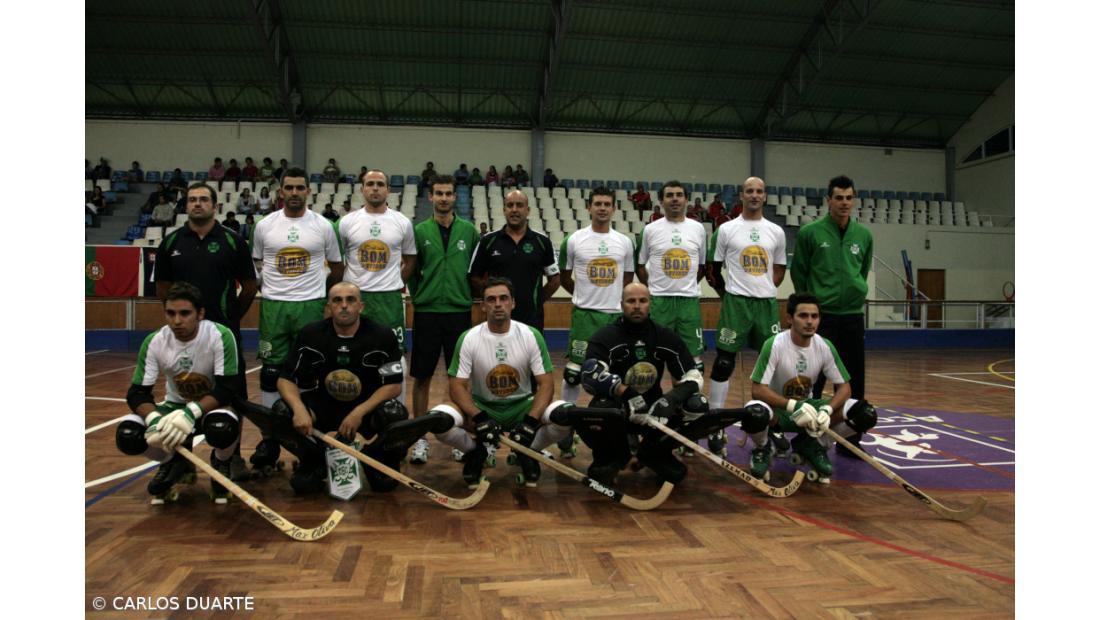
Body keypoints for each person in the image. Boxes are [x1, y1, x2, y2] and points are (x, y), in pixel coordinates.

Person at [241, 282, 409, 494]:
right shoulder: (311, 334)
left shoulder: (382, 336)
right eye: (337, 300)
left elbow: (393, 386)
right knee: (283, 411)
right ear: (329, 306)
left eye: (351, 300)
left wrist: (359, 411)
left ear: (361, 306)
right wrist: (300, 409)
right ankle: (315, 459)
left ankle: (376, 458)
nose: (344, 306)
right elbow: (285, 380)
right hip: (325, 405)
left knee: (395, 414)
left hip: (364, 408)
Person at [418, 277, 570, 487]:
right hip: (483, 406)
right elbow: (457, 385)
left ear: (513, 303)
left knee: (565, 416)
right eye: (491, 299)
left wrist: (530, 422)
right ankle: (475, 452)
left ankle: (529, 450)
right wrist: (478, 417)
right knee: (438, 421)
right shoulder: (469, 337)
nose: (498, 304)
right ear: (483, 306)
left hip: (521, 406)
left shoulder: (531, 335)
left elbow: (546, 384)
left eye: (503, 298)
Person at [155, 182, 258, 477]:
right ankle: (181, 461)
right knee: (183, 392)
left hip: (224, 335)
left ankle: (230, 456)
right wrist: (180, 320)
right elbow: (162, 287)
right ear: (186, 206)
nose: (197, 204)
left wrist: (230, 318)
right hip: (182, 337)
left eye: (203, 200)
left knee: (233, 395)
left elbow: (249, 286)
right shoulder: (171, 243)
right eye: (192, 200)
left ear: (215, 206)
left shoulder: (233, 241)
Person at [249, 167, 345, 470]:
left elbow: (338, 268)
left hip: (311, 306)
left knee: (311, 373)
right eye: (288, 187)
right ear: (280, 192)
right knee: (270, 372)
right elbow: (256, 266)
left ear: (308, 191)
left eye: (299, 188)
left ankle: (312, 440)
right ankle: (270, 439)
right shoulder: (264, 226)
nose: (294, 192)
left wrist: (323, 298)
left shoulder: (323, 226)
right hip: (274, 307)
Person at [114, 283, 242, 503]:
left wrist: (192, 412)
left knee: (222, 427)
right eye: (170, 313)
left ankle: (221, 462)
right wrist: (154, 419)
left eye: (185, 313)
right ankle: (171, 461)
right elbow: (137, 393)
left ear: (200, 313)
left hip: (210, 408)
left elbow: (227, 388)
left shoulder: (220, 335)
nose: (177, 321)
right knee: (128, 434)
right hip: (173, 407)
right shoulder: (155, 341)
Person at [577, 282, 708, 485]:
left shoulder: (665, 336)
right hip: (618, 407)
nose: (637, 306)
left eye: (642, 301)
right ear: (622, 305)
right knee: (601, 408)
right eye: (631, 301)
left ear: (650, 304)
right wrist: (628, 394)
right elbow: (589, 375)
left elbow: (693, 377)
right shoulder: (605, 336)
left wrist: (670, 400)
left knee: (696, 404)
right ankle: (612, 458)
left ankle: (653, 454)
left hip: (654, 411)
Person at [744, 292, 878, 483]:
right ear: (790, 318)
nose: (809, 322)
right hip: (779, 411)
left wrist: (827, 409)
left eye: (814, 316)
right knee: (753, 412)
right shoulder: (774, 344)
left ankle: (814, 444)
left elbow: (845, 387)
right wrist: (793, 406)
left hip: (809, 408)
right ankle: (763, 447)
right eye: (803, 316)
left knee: (864, 413)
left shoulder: (825, 346)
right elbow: (757, 390)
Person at [789, 174, 873, 456]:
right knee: (814, 379)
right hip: (821, 317)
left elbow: (862, 271)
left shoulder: (864, 235)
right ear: (829, 200)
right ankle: (807, 438)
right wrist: (811, 307)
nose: (844, 203)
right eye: (839, 197)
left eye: (849, 198)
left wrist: (855, 291)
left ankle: (851, 441)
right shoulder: (810, 232)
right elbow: (799, 271)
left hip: (851, 315)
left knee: (853, 380)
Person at [705, 177, 786, 451]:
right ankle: (714, 425)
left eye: (759, 191)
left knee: (774, 368)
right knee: (724, 363)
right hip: (736, 304)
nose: (754, 195)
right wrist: (728, 296)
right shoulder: (726, 230)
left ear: (765, 196)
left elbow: (779, 269)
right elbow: (713, 270)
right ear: (741, 195)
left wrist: (763, 287)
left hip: (766, 306)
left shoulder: (776, 231)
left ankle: (773, 425)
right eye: (749, 191)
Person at [407, 174, 479, 464]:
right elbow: (412, 272)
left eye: (449, 193)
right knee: (421, 377)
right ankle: (419, 439)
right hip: (426, 312)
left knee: (458, 380)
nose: (444, 198)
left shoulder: (469, 231)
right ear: (430, 197)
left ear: (455, 197)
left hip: (459, 312)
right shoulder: (419, 231)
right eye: (439, 193)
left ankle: (460, 438)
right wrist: (421, 295)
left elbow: (474, 272)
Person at [338, 169, 417, 407]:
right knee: (348, 361)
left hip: (389, 301)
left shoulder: (402, 222)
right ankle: (347, 426)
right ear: (362, 189)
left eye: (380, 184)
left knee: (395, 363)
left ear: (388, 190)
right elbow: (333, 260)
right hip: (354, 301)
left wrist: (394, 282)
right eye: (370, 184)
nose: (375, 188)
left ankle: (395, 420)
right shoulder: (346, 223)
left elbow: (411, 259)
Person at [558, 186, 635, 404]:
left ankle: (616, 421)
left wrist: (612, 297)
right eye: (598, 204)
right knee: (573, 374)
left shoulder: (625, 242)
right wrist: (584, 295)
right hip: (585, 316)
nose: (602, 208)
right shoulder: (573, 240)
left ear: (614, 208)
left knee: (617, 373)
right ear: (588, 207)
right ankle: (567, 426)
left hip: (615, 318)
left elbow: (627, 278)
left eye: (607, 204)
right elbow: (564, 277)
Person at [637, 181, 707, 372]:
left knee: (693, 364)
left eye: (679, 195)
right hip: (659, 302)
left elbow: (701, 266)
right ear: (661, 200)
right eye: (669, 195)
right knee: (652, 362)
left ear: (686, 200)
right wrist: (651, 287)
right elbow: (640, 265)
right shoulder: (650, 230)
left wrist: (688, 284)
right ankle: (652, 400)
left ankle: (686, 400)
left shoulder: (698, 229)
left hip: (689, 303)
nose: (674, 199)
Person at [469, 189, 560, 332]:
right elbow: (474, 277)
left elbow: (554, 280)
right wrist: (493, 299)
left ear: (528, 210)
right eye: (510, 205)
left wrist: (535, 301)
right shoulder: (488, 241)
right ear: (504, 210)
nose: (514, 210)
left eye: (519, 205)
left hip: (532, 321)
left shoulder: (542, 242)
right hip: (496, 319)